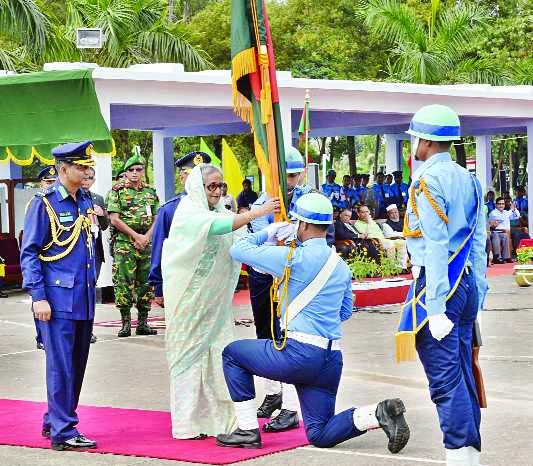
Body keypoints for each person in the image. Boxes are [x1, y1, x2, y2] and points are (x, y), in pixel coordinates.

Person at [216, 192, 410, 452]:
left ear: (303, 225)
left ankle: (247, 429)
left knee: (232, 354)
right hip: (330, 359)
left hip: (298, 355)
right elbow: (344, 312)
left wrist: (269, 231)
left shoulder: (292, 257)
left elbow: (237, 249)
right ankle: (378, 413)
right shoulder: (339, 265)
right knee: (319, 433)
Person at [161, 163, 279, 439]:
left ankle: (221, 422)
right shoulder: (189, 211)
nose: (218, 191)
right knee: (188, 359)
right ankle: (186, 424)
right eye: (212, 186)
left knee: (220, 355)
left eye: (221, 186)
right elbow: (220, 226)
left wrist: (273, 233)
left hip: (215, 303)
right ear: (197, 188)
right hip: (189, 300)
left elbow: (241, 241)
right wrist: (258, 213)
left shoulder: (220, 211)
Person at [399, 104, 488, 466]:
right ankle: (469, 456)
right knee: (462, 372)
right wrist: (479, 290)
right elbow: (477, 242)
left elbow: (435, 245)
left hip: (439, 287)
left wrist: (435, 307)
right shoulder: (469, 179)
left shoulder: (426, 180)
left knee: (445, 377)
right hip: (464, 282)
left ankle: (458, 457)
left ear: (423, 141)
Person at [20, 141, 98, 451]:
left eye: (87, 165)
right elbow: (30, 254)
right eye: (81, 166)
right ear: (63, 169)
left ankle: (55, 419)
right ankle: (64, 432)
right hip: (56, 300)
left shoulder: (84, 200)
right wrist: (38, 297)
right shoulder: (45, 203)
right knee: (61, 366)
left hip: (84, 298)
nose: (86, 170)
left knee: (76, 365)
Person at [248, 146, 312, 433]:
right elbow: (259, 238)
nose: (290, 180)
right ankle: (273, 391)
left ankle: (291, 404)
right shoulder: (264, 201)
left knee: (288, 336)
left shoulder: (309, 199)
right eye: (285, 175)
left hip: (293, 275)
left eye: (295, 175)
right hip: (265, 274)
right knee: (265, 334)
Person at [106, 152, 159, 337]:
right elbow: (114, 219)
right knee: (124, 282)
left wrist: (146, 237)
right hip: (125, 245)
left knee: (146, 283)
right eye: (131, 170)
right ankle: (126, 323)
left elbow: (157, 216)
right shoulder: (117, 191)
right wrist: (136, 236)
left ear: (143, 171)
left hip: (146, 244)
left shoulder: (150, 192)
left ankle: (143, 322)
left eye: (139, 169)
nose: (135, 172)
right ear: (125, 172)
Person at [149, 151, 211, 307]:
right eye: (194, 176)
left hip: (212, 280)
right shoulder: (170, 209)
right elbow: (160, 249)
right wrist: (159, 287)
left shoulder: (218, 208)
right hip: (181, 281)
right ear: (182, 177)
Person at [355, 205, 407, 269]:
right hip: (373, 243)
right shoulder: (357, 224)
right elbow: (365, 235)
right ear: (358, 214)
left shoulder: (373, 222)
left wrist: (370, 222)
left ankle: (401, 267)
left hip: (384, 240)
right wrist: (368, 223)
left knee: (402, 243)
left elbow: (382, 234)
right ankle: (391, 266)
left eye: (367, 212)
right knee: (390, 244)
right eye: (363, 212)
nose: (366, 214)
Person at [488, 197, 519, 263]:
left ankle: (506, 257)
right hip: (495, 231)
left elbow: (517, 216)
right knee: (496, 235)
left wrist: (514, 208)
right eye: (499, 204)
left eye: (503, 204)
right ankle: (497, 258)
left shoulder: (506, 212)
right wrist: (511, 210)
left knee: (505, 235)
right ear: (496, 205)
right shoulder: (493, 213)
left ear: (504, 205)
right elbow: (502, 218)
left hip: (504, 232)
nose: (501, 205)